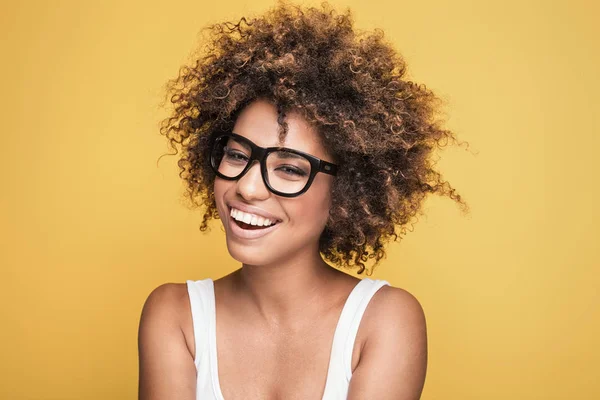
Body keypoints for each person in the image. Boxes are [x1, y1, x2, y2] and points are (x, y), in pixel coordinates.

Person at [138, 1, 467, 399]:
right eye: (237, 155)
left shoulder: (384, 320)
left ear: (346, 191)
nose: (248, 187)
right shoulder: (175, 315)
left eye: (290, 169)